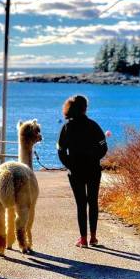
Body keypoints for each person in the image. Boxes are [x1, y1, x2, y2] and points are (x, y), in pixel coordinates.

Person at [57, 95, 107, 248]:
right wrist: (93, 159)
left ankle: (83, 239)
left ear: (69, 108)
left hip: (75, 171)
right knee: (93, 202)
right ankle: (93, 237)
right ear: (85, 108)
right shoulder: (94, 125)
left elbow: (61, 150)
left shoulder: (66, 127)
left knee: (81, 204)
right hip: (93, 169)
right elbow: (103, 147)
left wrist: (70, 165)